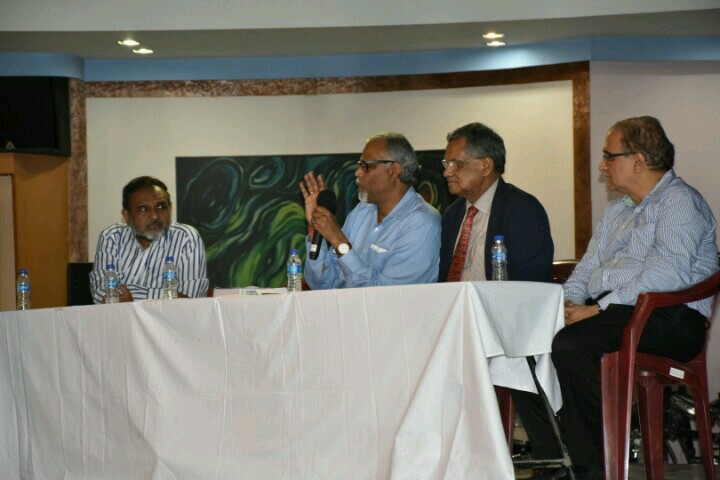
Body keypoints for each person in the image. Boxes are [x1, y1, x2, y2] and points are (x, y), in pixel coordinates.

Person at [552, 116, 719, 479]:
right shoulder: (618, 210)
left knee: (573, 343)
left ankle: (594, 469)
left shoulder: (679, 202)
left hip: (671, 316)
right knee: (531, 338)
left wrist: (597, 310)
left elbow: (665, 276)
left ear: (638, 161)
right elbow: (586, 268)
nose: (602, 166)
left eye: (608, 156)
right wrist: (564, 306)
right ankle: (556, 456)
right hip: (618, 312)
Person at [438, 122, 560, 463]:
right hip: (458, 320)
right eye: (446, 164)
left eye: (455, 163)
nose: (447, 172)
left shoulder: (522, 209)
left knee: (516, 358)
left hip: (506, 321)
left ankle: (550, 457)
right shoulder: (452, 215)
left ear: (485, 165)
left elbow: (531, 282)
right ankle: (448, 455)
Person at [300, 132, 441, 289]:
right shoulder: (362, 212)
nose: (357, 172)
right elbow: (323, 285)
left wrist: (339, 241)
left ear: (394, 170)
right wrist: (316, 230)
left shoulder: (422, 223)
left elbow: (387, 295)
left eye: (366, 166)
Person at [90, 176, 209, 303]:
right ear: (127, 216)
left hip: (170, 317)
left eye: (161, 207)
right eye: (144, 209)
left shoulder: (186, 237)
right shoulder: (112, 237)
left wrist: (132, 297)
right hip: (120, 317)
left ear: (170, 209)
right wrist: (167, 294)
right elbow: (101, 293)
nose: (154, 216)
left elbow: (192, 300)